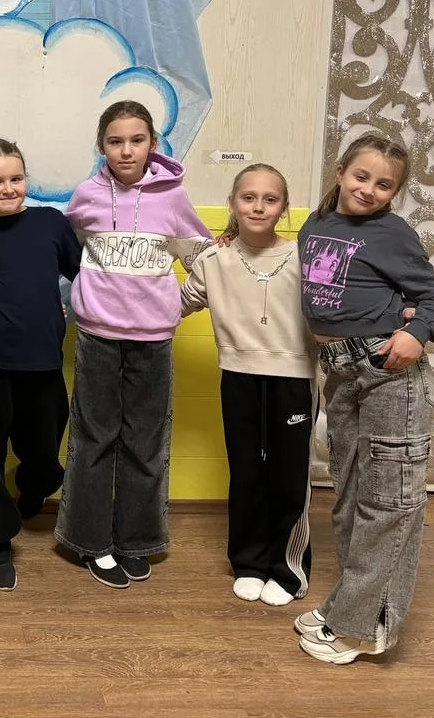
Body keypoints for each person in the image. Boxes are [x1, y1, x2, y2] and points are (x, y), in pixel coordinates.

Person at [294, 132, 434, 664]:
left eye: (384, 185)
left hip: (388, 372)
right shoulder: (316, 224)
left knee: (388, 500)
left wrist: (417, 332)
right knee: (350, 497)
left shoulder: (392, 232)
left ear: (394, 193)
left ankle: (365, 628)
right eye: (361, 176)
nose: (369, 189)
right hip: (341, 373)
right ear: (340, 172)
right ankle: (348, 606)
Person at [55, 101, 211, 588]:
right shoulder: (86, 196)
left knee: (145, 442)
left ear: (153, 144)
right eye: (115, 141)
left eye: (137, 140)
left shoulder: (173, 198)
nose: (126, 150)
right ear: (101, 145)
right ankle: (90, 541)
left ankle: (137, 541)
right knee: (94, 439)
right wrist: (70, 301)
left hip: (153, 341)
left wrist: (178, 305)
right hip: (97, 337)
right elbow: (63, 253)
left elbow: (203, 259)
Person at [181, 163, 317, 606]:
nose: (258, 207)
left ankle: (288, 570)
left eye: (270, 199)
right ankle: (249, 563)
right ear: (233, 204)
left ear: (284, 208)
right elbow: (175, 305)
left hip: (294, 380)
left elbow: (338, 307)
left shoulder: (305, 257)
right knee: (246, 473)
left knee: (288, 477)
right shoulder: (213, 259)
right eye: (249, 197)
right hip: (237, 377)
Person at [0, 139, 82, 592]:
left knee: (45, 451)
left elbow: (87, 276)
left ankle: (33, 485)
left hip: (42, 361)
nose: (8, 188)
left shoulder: (50, 223)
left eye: (16, 178)